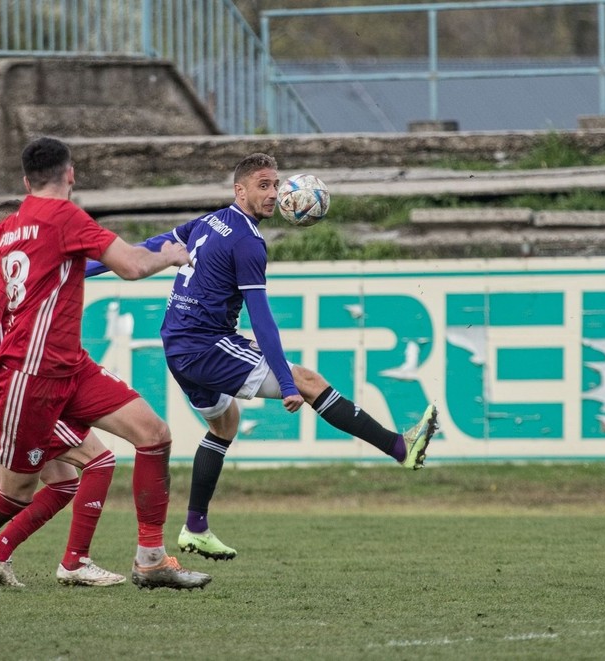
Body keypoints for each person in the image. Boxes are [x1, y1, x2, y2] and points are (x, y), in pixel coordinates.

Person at [0, 137, 210, 625]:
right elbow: (132, 266)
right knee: (15, 492)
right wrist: (172, 255)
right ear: (71, 174)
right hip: (31, 376)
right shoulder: (66, 218)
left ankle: (151, 559)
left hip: (70, 367)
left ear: (26, 181)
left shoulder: (7, 228)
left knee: (153, 434)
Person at [139, 153, 438, 561]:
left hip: (179, 344)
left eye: (275, 185)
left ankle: (195, 528)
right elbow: (262, 322)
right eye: (263, 185)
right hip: (204, 346)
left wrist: (89, 265)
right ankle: (400, 448)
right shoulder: (247, 241)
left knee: (225, 426)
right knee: (309, 382)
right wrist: (285, 380)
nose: (273, 194)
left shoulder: (210, 222)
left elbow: (151, 247)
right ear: (239, 191)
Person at [0, 199, 124, 588]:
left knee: (63, 483)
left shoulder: (10, 280)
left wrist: (155, 250)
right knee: (100, 462)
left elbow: (91, 265)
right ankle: (75, 562)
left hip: (19, 398)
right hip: (21, 400)